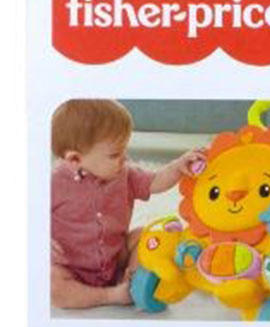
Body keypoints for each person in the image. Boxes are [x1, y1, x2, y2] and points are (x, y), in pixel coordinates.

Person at [50, 99, 203, 309]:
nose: (124, 158)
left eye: (124, 150)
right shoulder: (53, 183)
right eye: (115, 154)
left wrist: (177, 167)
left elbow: (155, 181)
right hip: (71, 267)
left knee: (144, 235)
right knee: (52, 285)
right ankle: (109, 296)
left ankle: (131, 281)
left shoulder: (125, 173)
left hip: (116, 257)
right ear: (75, 159)